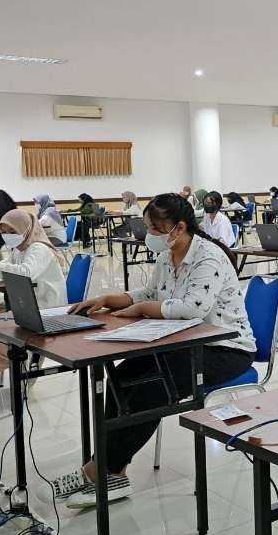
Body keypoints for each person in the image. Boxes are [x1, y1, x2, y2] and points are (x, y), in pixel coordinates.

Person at [48, 194, 256, 507]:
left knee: (155, 390)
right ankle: (114, 470)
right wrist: (110, 299)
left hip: (225, 347)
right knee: (121, 378)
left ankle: (100, 470)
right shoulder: (167, 255)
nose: (149, 235)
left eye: (155, 228)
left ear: (179, 227)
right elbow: (150, 292)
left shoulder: (208, 258)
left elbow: (193, 308)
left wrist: (144, 308)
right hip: (182, 342)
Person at [0, 209, 67, 374]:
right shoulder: (19, 248)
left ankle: (23, 364)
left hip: (46, 304)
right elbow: (8, 268)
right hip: (27, 301)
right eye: (3, 232)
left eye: (12, 231)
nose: (7, 235)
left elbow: (26, 273)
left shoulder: (39, 248)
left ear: (26, 229)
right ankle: (16, 363)